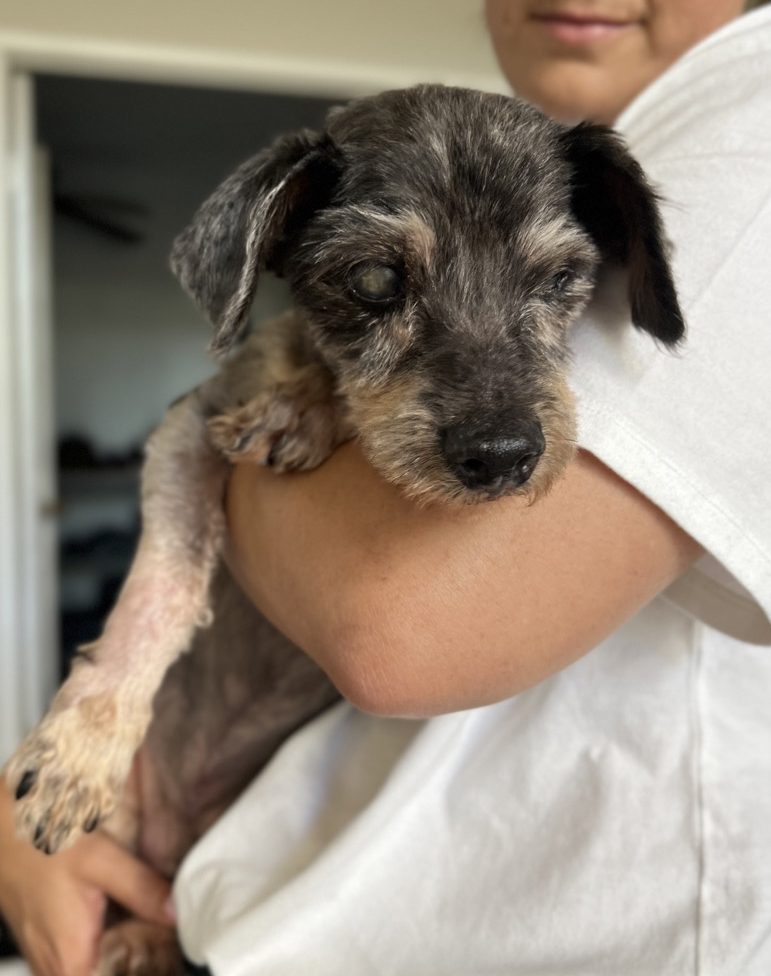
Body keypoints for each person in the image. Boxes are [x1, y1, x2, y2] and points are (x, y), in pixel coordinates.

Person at [2, 1, 770, 973]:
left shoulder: (745, 143)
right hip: (230, 895)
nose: (496, 422)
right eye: (377, 286)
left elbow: (394, 635)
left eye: (552, 286)